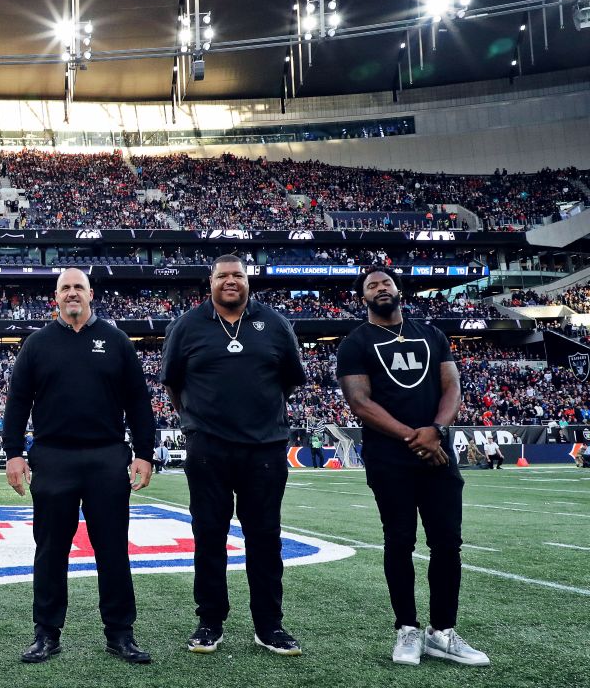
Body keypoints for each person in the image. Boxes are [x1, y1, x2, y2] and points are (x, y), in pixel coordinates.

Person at [337, 267, 489, 667]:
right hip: (391, 460)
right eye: (372, 285)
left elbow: (452, 384)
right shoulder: (355, 343)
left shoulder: (432, 334)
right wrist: (415, 436)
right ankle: (407, 628)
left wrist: (436, 430)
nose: (380, 288)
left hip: (438, 452)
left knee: (447, 544)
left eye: (385, 282)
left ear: (398, 289)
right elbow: (360, 403)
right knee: (399, 542)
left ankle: (443, 631)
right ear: (362, 298)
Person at [3, 268, 156, 665]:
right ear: (55, 297)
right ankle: (46, 634)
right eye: (65, 288)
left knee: (112, 550)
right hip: (52, 458)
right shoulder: (36, 345)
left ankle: (120, 633)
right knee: (51, 550)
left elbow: (139, 402)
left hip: (107, 456)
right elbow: (17, 402)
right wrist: (14, 453)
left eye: (79, 288)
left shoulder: (117, 341)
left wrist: (144, 452)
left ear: (92, 294)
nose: (73, 294)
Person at [159, 255, 307, 657]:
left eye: (237, 275)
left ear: (247, 280)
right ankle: (210, 621)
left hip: (264, 449)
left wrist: (258, 415)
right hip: (208, 448)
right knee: (209, 537)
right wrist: (197, 421)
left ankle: (269, 625)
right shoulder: (188, 325)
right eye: (222, 276)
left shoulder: (275, 324)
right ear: (210, 283)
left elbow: (291, 380)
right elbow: (172, 382)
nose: (230, 281)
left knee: (265, 539)